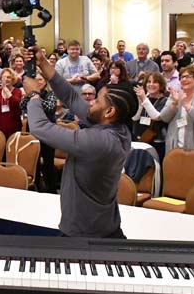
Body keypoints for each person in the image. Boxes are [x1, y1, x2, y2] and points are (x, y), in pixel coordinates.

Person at [23, 47, 137, 238]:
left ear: (109, 112)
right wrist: (43, 63)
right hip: (103, 226)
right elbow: (71, 96)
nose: (90, 102)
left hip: (87, 235)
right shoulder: (117, 127)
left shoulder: (102, 141)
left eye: (97, 100)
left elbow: (41, 128)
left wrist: (33, 96)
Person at [152, 67, 194, 162]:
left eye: (187, 77)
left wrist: (187, 106)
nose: (184, 79)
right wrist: (174, 103)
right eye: (181, 77)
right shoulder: (175, 95)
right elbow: (164, 118)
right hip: (174, 148)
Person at [20, 73, 58, 192]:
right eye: (35, 80)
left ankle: (51, 190)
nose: (38, 82)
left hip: (48, 132)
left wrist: (36, 98)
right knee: (33, 162)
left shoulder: (50, 94)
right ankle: (35, 187)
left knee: (48, 163)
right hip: (33, 132)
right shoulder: (30, 94)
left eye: (40, 79)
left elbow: (50, 107)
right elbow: (21, 105)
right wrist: (31, 95)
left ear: (46, 81)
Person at [132, 72, 169, 160]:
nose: (151, 84)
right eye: (149, 82)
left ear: (161, 85)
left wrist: (144, 99)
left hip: (157, 141)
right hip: (141, 139)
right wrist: (141, 104)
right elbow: (135, 118)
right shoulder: (145, 99)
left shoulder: (164, 101)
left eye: (155, 82)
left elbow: (156, 117)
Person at [0, 68, 23, 140]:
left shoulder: (17, 91)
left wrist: (4, 88)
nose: (6, 79)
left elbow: (15, 103)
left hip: (13, 127)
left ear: (12, 79)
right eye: (3, 77)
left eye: (8, 77)